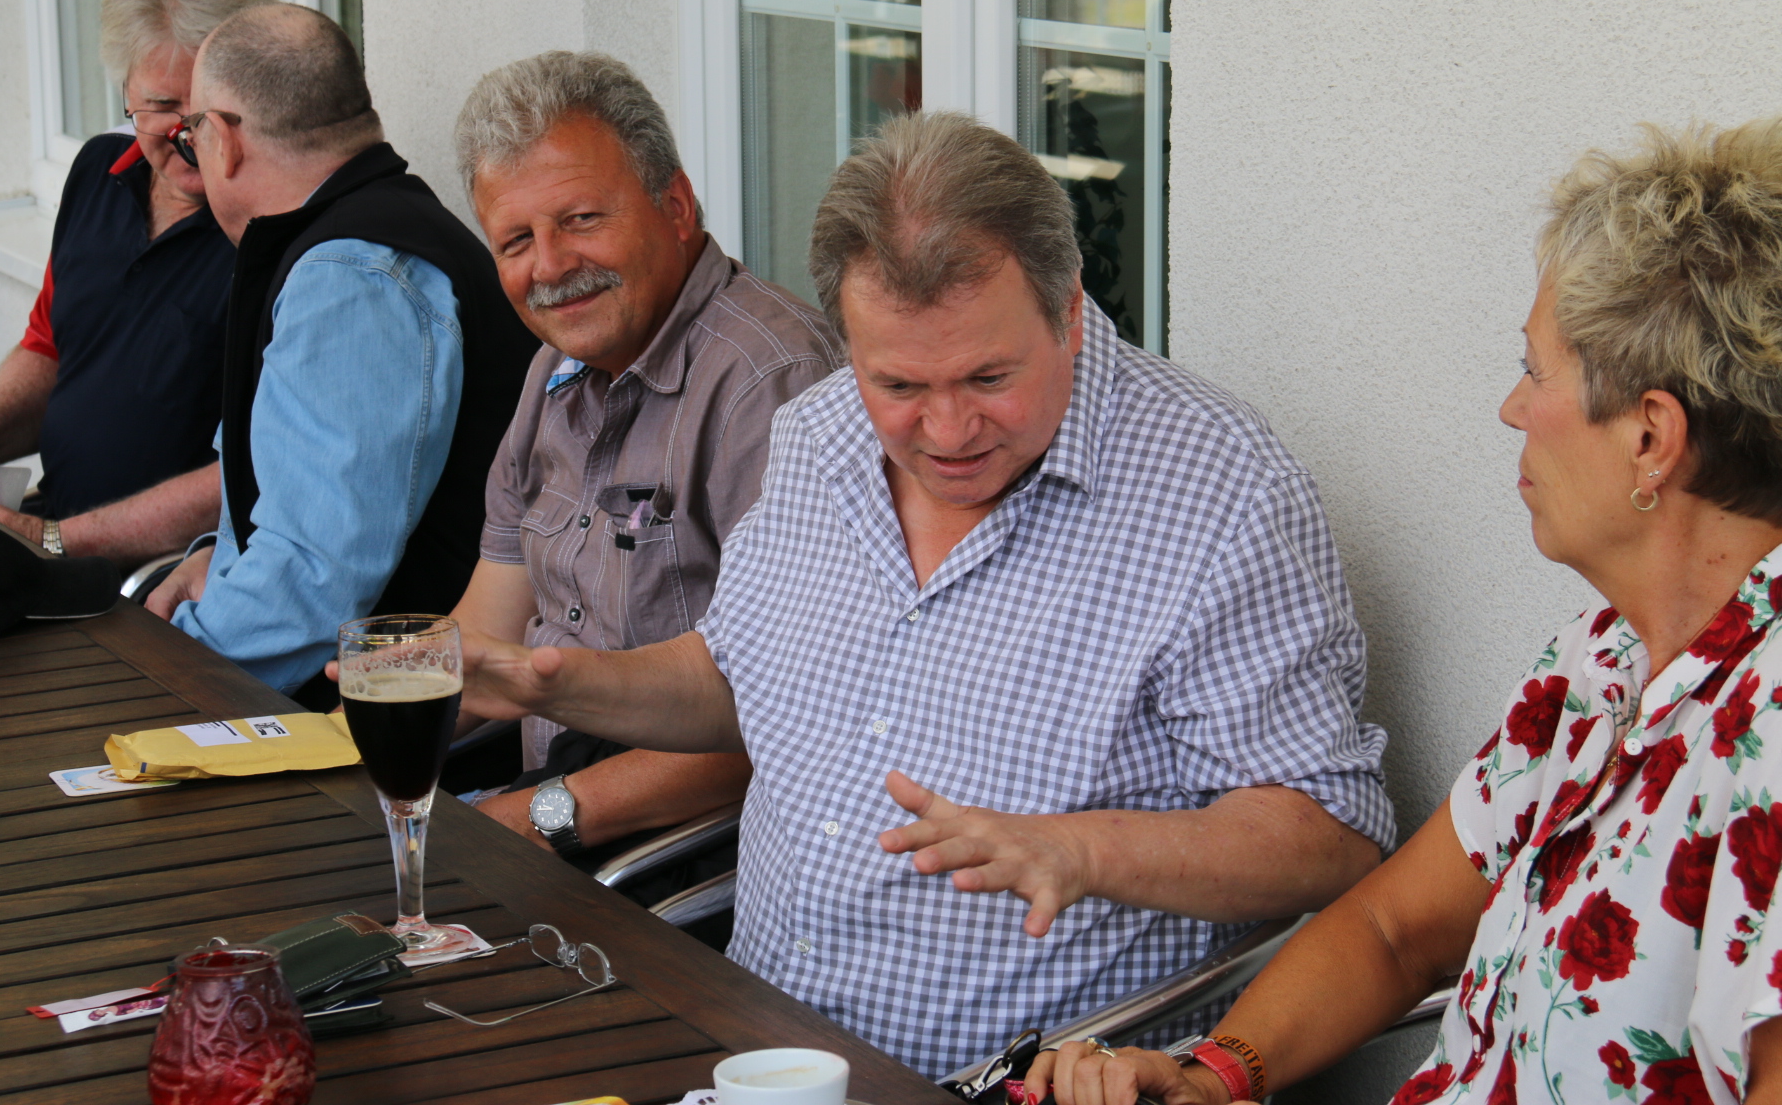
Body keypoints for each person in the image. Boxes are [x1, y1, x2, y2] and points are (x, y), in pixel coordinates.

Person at [456, 111, 1396, 1077]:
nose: (947, 431)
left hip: (1009, 1081)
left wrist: (1081, 852)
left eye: (989, 377)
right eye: (900, 385)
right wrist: (558, 683)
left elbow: (1332, 835)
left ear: (1069, 312)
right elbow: (738, 680)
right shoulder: (821, 429)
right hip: (756, 1048)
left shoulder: (1220, 492)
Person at [1024, 118, 1782, 1105]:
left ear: (1651, 437)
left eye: (1536, 370)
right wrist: (1216, 1074)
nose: (1512, 408)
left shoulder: (1765, 735)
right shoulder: (1599, 664)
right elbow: (1392, 929)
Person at [445, 51, 841, 873]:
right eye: (516, 240)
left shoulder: (772, 383)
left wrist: (528, 822)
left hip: (667, 859)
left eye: (581, 219)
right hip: (543, 807)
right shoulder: (556, 367)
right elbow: (485, 631)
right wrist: (333, 745)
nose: (550, 266)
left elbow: (795, 716)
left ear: (676, 207)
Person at [146, 3, 538, 698]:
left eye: (190, 135)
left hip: (384, 727)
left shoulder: (351, 278)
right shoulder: (354, 240)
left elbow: (312, 581)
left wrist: (162, 679)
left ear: (226, 141)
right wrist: (217, 557)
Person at [0, 0, 275, 567]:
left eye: (208, 107)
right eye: (162, 105)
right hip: (51, 533)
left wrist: (64, 541)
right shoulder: (98, 169)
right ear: (125, 90)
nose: (188, 132)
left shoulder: (273, 231)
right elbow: (51, 347)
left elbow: (262, 468)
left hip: (172, 575)